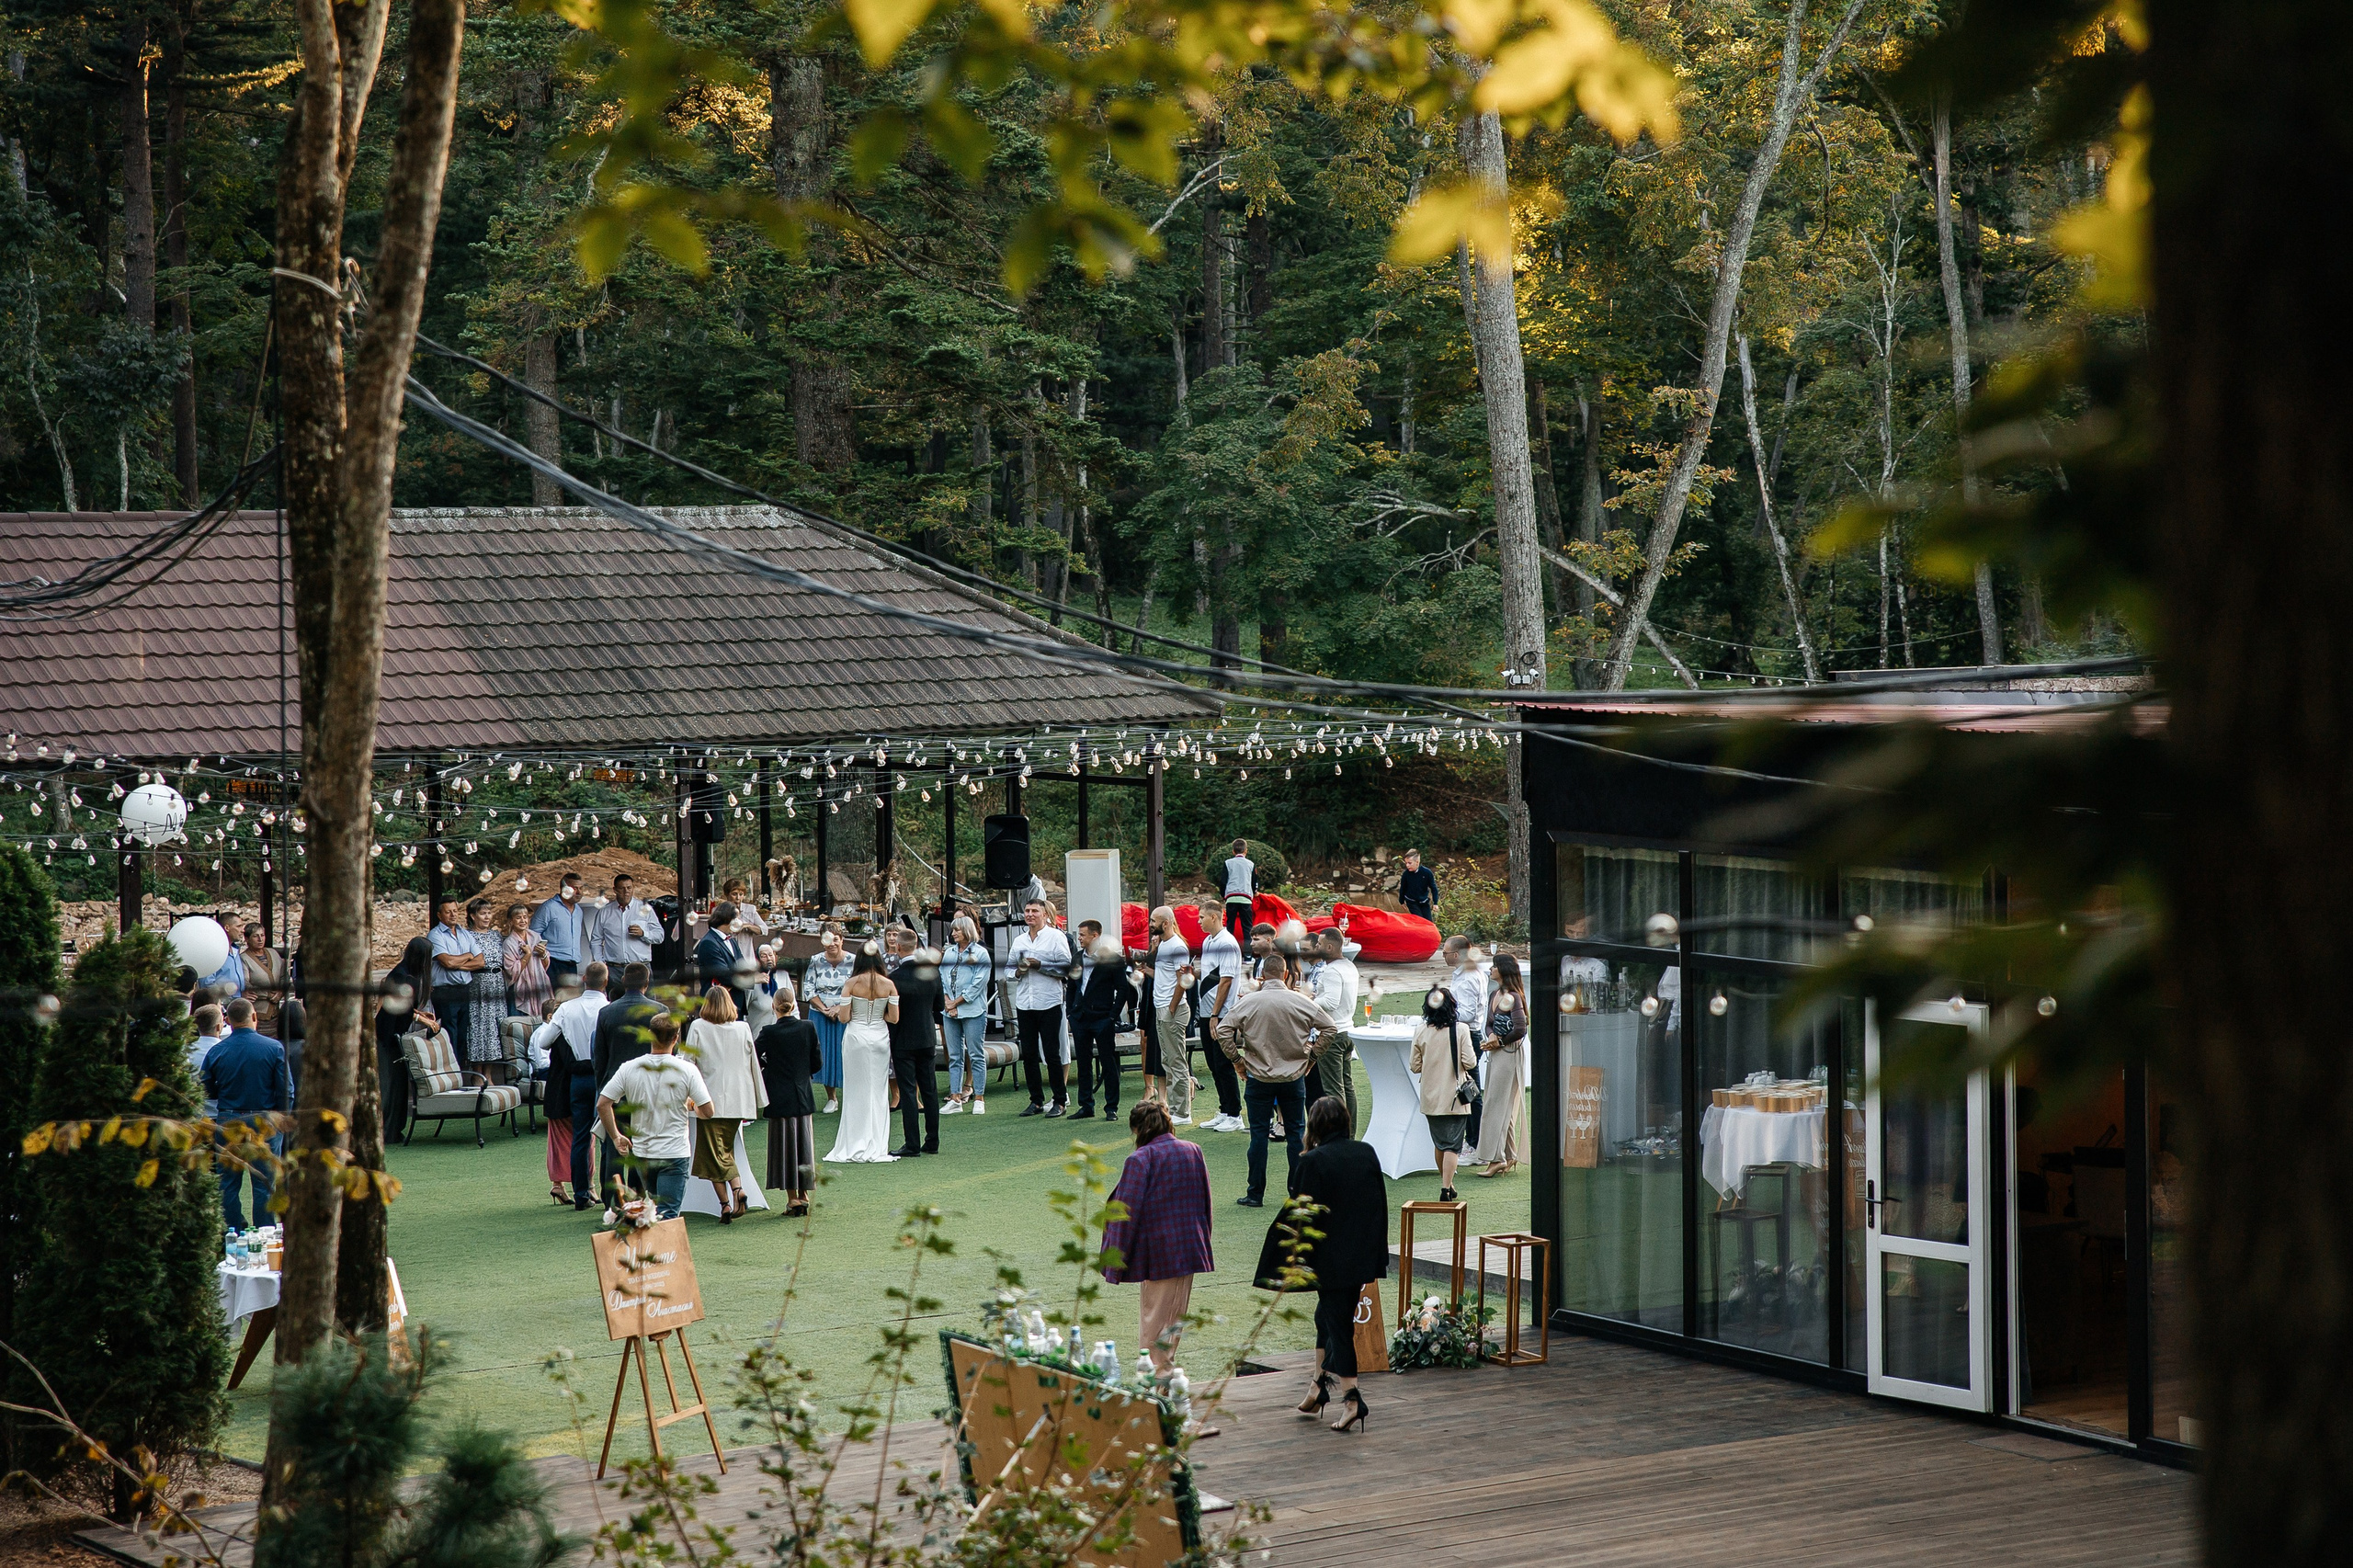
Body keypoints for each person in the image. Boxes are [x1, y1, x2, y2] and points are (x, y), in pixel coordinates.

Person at [1282, 1096, 1387, 1433]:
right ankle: (1317, 1386)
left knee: (1338, 1326)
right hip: (1360, 1254)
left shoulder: (1313, 1160)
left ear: (1314, 1125)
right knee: (1325, 1318)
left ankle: (1352, 1399)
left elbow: (1301, 1212)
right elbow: (1378, 1205)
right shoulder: (1366, 1152)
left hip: (1329, 1260)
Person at [1100, 1101, 1214, 1372]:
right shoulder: (1192, 1150)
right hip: (1188, 1248)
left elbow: (1124, 1213)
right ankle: (1160, 1384)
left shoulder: (1140, 1159)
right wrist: (1202, 1239)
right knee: (1167, 1325)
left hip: (1159, 1255)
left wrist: (1113, 1264)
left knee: (1155, 1330)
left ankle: (1158, 1389)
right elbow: (1204, 1202)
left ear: (1138, 1129)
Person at [1215, 952, 1324, 1208]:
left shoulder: (1249, 1002)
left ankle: (1255, 1192)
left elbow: (1223, 1031)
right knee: (1296, 1134)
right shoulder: (1300, 1001)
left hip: (1258, 1075)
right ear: (1286, 974)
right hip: (1293, 1075)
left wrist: (1237, 1061)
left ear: (1262, 975)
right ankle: (1297, 1193)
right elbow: (1328, 1027)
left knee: (1259, 1136)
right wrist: (1311, 1056)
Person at [597, 1013, 713, 1221]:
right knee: (667, 1216)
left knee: (656, 1212)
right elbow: (708, 1111)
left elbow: (603, 1103)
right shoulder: (687, 1070)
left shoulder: (629, 1068)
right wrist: (691, 1106)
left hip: (644, 1153)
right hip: (674, 1152)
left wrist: (615, 1136)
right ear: (676, 1038)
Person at [203, 998, 292, 1230]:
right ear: (254, 1017)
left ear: (228, 1022)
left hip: (228, 1119)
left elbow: (205, 1086)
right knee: (264, 1182)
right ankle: (264, 1232)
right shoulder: (273, 1048)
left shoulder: (217, 1051)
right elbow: (286, 1090)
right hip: (264, 1120)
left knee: (227, 1183)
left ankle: (231, 1231)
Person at [686, 984, 766, 1220]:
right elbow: (753, 1065)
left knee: (713, 1154)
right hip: (738, 1099)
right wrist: (757, 1098)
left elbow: (687, 1063)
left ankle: (730, 1199)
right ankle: (730, 1200)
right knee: (724, 1151)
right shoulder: (743, 1028)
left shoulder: (698, 1026)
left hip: (708, 1098)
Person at [594, 963, 665, 1213]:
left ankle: (613, 1202)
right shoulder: (660, 1011)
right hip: (649, 1091)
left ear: (623, 981)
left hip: (615, 1090)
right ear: (647, 984)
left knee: (614, 1147)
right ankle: (641, 1196)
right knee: (645, 1145)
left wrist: (603, 1090)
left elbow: (599, 1058)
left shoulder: (606, 1012)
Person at [540, 960, 610, 1209]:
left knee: (581, 1136)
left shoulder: (567, 1009)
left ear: (583, 980)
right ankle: (607, 1195)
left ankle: (581, 1195)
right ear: (606, 982)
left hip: (579, 1077)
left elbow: (543, 1042)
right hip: (604, 1077)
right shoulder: (608, 1008)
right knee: (606, 1138)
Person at [821, 942, 899, 1163]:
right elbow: (894, 1018)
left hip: (856, 1037)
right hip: (880, 1037)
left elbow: (844, 1018)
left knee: (856, 1090)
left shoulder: (851, 984)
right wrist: (877, 1018)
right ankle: (877, 1143)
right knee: (878, 1089)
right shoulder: (889, 984)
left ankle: (854, 1141)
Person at [755, 992, 824, 1216]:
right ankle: (803, 1195)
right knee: (803, 1146)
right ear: (793, 1005)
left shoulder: (769, 1032)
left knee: (783, 1148)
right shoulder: (808, 1027)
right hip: (802, 1094)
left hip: (778, 1095)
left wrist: (769, 1066)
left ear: (774, 1007)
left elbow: (754, 1057)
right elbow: (817, 1063)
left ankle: (792, 1197)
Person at [1410, 986, 1479, 1202]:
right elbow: (1470, 1061)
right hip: (1455, 1096)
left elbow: (1414, 1065)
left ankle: (1447, 1185)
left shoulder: (1421, 1030)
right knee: (1453, 1146)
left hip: (1431, 1096)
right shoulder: (1460, 1030)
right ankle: (1445, 1189)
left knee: (1440, 1143)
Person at [1008, 897, 1074, 1118]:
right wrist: (1019, 971)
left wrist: (1041, 965)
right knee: (1029, 1053)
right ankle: (1035, 1100)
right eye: (1027, 911)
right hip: (1025, 1002)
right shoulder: (1019, 941)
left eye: (1035, 911)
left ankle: (1060, 1100)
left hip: (1049, 1001)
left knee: (1052, 1053)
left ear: (1045, 915)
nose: (1030, 915)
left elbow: (1066, 968)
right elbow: (1008, 971)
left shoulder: (1056, 937)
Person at [1470, 953, 1531, 1176]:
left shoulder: (1514, 997)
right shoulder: (1495, 994)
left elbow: (1521, 1028)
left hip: (1509, 1054)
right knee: (1495, 1103)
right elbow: (1487, 1023)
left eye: (1494, 966)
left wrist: (1501, 1041)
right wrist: (1491, 1036)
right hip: (1497, 1053)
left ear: (1503, 970)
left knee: (1498, 1105)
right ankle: (1509, 1155)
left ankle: (1497, 1158)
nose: (1490, 970)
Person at [1070, 928, 1138, 1121]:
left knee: (1109, 1062)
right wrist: (1071, 1011)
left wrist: (1112, 1016)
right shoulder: (1077, 957)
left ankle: (1111, 1107)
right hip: (1080, 1018)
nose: (1080, 938)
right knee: (1083, 1063)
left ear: (1095, 936)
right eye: (1079, 935)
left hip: (1103, 1018)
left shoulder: (1112, 959)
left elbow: (1123, 989)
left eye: (1083, 935)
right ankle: (1086, 1105)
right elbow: (1073, 985)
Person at [1193, 902, 1247, 1132]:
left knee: (1224, 1063)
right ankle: (1225, 1110)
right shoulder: (1208, 942)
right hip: (1207, 1012)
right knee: (1213, 1063)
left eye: (1202, 917)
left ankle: (1235, 1115)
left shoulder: (1226, 943)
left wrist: (1216, 1014)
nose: (1198, 921)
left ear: (1215, 917)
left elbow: (1226, 980)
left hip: (1222, 1013)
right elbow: (1211, 976)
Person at [887, 940, 944, 1155]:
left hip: (903, 1040)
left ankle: (912, 1143)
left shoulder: (894, 978)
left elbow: (891, 1013)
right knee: (929, 1089)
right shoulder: (932, 974)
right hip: (927, 1037)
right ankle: (933, 1141)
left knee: (908, 1092)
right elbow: (939, 1006)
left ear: (899, 948)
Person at [376, 936, 434, 1144]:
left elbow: (406, 1007)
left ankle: (394, 1130)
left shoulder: (409, 974)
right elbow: (393, 1012)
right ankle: (384, 1133)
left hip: (396, 1037)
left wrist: (419, 1015)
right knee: (389, 1086)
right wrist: (418, 1017)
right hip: (385, 1038)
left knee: (399, 1085)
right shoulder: (401, 976)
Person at [1143, 906, 1197, 1122]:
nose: (1150, 924)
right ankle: (1175, 1109)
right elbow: (1165, 976)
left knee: (1176, 1061)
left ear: (1166, 923)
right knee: (1168, 1060)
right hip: (1162, 1008)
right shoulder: (1163, 944)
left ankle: (1182, 1112)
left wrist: (1172, 1007)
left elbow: (1182, 981)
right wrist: (1149, 971)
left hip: (1172, 1010)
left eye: (1154, 921)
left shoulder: (1177, 946)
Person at [938, 915, 993, 1115]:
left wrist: (956, 1002)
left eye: (956, 931)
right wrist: (947, 1002)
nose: (953, 934)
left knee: (976, 1054)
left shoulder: (981, 954)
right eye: (953, 930)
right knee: (954, 1056)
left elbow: (978, 984)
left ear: (967, 932)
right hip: (949, 1010)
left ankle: (979, 1098)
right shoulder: (949, 953)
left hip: (973, 1011)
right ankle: (955, 1098)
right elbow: (942, 978)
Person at [1308, 928, 1359, 1126]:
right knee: (1347, 1087)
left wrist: (1308, 1000)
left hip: (1333, 1034)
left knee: (1334, 1090)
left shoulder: (1331, 970)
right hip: (1347, 1031)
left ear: (1330, 947)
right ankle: (1350, 1134)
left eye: (1319, 944)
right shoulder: (1349, 966)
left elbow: (1330, 1002)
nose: (1316, 947)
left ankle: (1340, 1137)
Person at [1442, 933, 1490, 1143]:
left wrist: (1443, 1014)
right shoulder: (1465, 973)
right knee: (1468, 1088)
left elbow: (1468, 1013)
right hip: (1467, 1033)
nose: (1443, 956)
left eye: (1445, 953)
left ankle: (1475, 1140)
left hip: (1467, 1035)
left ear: (1456, 954)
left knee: (1470, 1090)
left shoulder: (1469, 977)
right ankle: (1473, 1138)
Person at [801, 926, 854, 1113]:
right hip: (820, 1013)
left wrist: (840, 1008)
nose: (832, 944)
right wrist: (824, 1010)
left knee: (846, 1052)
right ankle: (831, 1098)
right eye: (827, 940)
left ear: (841, 940)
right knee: (823, 1053)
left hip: (845, 1013)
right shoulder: (816, 960)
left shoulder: (853, 961)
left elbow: (857, 989)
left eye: (835, 939)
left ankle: (851, 1096)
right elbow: (808, 989)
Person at [427, 898, 482, 1059]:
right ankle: (451, 1074)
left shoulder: (464, 933)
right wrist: (467, 956)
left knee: (462, 1035)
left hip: (464, 990)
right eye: (448, 911)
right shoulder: (435, 935)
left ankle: (460, 1073)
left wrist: (456, 963)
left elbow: (480, 961)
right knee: (449, 1034)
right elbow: (447, 961)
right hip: (445, 991)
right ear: (439, 915)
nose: (453, 915)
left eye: (455, 911)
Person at [463, 897, 510, 1077]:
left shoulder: (496, 935)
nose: (487, 917)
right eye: (483, 913)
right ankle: (477, 1074)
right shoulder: (467, 935)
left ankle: (489, 1074)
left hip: (497, 981)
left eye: (489, 913)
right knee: (479, 1027)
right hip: (479, 983)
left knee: (494, 1028)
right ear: (473, 916)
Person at [588, 872, 661, 971]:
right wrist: (600, 963)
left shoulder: (644, 909)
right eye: (622, 888)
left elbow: (659, 936)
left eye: (629, 888)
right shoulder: (604, 912)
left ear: (633, 888)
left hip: (640, 968)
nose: (626, 891)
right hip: (614, 969)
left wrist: (643, 934)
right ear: (615, 890)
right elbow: (596, 940)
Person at [696, 900, 751, 1021]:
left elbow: (743, 965)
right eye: (736, 919)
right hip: (718, 1006)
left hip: (736, 1005)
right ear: (727, 919)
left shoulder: (731, 940)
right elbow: (725, 976)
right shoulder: (709, 943)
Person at [531, 872, 586, 989]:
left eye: (581, 888)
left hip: (572, 965)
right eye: (575, 888)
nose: (579, 892)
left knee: (570, 1002)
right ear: (563, 889)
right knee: (554, 1001)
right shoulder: (548, 908)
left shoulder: (579, 911)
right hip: (553, 964)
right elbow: (532, 935)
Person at [236, 920, 287, 1038]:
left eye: (262, 935)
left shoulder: (273, 953)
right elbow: (246, 983)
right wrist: (267, 995)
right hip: (258, 1013)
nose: (260, 939)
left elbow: (284, 976)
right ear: (247, 939)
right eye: (255, 936)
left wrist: (281, 992)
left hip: (276, 1013)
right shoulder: (244, 958)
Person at [504, 902, 553, 1019]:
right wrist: (527, 955)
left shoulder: (535, 936)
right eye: (518, 918)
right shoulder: (509, 943)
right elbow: (511, 971)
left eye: (525, 917)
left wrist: (542, 955)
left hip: (539, 983)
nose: (522, 921)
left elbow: (545, 965)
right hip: (521, 989)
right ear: (511, 921)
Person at [197, 913, 246, 999]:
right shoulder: (213, 951)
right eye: (238, 926)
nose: (242, 930)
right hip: (222, 1003)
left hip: (237, 1001)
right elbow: (207, 983)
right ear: (227, 928)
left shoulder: (235, 950)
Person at [1222, 838, 1256, 941]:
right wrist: (1254, 892)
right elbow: (1254, 882)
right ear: (1246, 851)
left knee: (1229, 927)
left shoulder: (1228, 863)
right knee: (1247, 927)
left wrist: (1223, 895)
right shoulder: (1251, 864)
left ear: (1233, 851)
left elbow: (1223, 881)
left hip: (1231, 898)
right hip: (1246, 899)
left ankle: (1228, 952)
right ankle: (1248, 955)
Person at [1396, 848, 1438, 924]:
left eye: (1409, 863)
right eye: (1406, 863)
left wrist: (1435, 903)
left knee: (1429, 923)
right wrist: (1401, 901)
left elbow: (1434, 888)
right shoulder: (1406, 874)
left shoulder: (1427, 873)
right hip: (1412, 902)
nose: (1407, 865)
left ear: (1417, 862)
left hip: (1424, 901)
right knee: (1420, 921)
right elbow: (1403, 888)